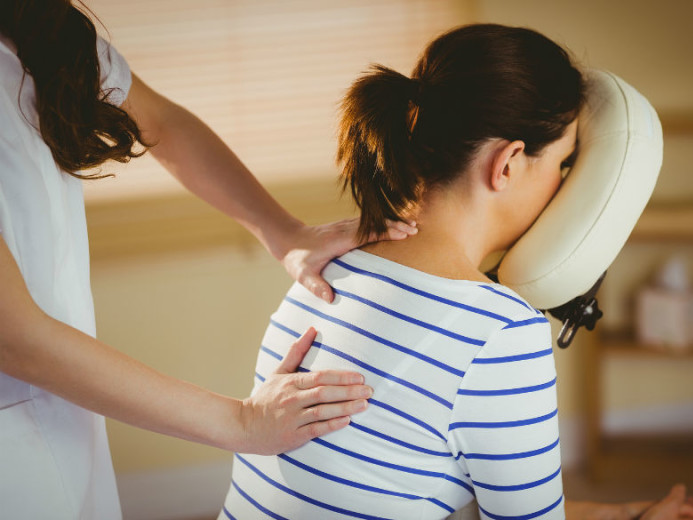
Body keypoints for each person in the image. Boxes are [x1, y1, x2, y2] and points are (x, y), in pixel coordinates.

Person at [219, 23, 693, 520]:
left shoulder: (327, 268)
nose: (562, 187)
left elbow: (398, 484)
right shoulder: (501, 331)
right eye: (562, 165)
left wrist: (619, 515)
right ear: (509, 164)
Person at [0, 1, 417, 518]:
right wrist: (242, 423)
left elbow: (163, 123)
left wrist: (283, 231)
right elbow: (13, 335)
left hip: (65, 426)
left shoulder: (40, 29)